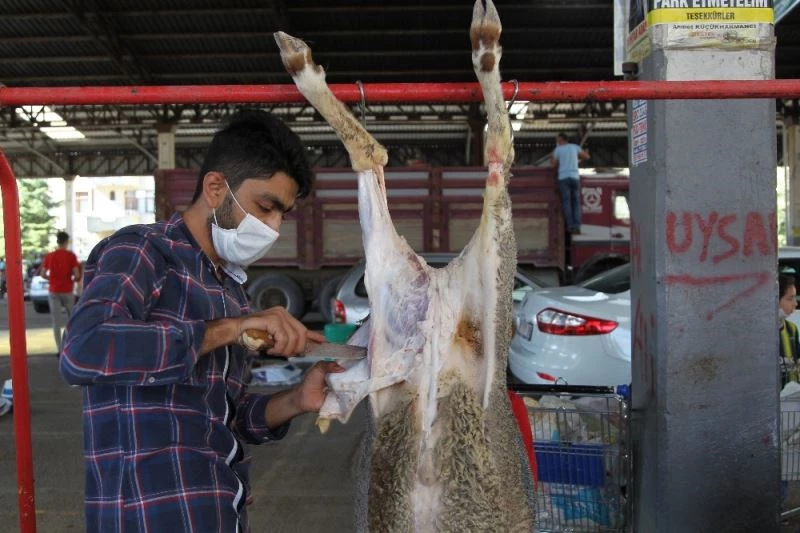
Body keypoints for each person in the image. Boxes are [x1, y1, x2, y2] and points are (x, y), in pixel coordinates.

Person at [59, 110, 344, 533]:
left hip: (217, 509)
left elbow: (224, 415)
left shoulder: (229, 290)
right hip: (150, 514)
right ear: (215, 188)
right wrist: (232, 328)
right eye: (265, 207)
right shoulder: (144, 252)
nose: (272, 227)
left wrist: (297, 400)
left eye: (282, 214)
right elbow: (83, 351)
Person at [42, 231, 80, 353]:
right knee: (72, 320)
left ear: (57, 241)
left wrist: (52, 279)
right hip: (67, 290)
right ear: (66, 242)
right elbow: (77, 274)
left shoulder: (50, 256)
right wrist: (73, 279)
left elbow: (43, 274)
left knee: (56, 321)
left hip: (53, 291)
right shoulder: (71, 256)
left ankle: (59, 349)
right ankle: (72, 346)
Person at [550, 132, 590, 234]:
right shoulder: (575, 147)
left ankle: (571, 226)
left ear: (561, 139)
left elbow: (553, 165)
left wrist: (554, 159)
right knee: (576, 202)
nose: (557, 141)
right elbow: (586, 157)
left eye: (557, 139)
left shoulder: (557, 150)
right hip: (574, 177)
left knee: (567, 202)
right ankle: (577, 225)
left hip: (563, 178)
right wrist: (585, 153)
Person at [779, 273, 800, 386]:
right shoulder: (761, 333)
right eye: (790, 299)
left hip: (792, 399)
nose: (795, 303)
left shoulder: (792, 329)